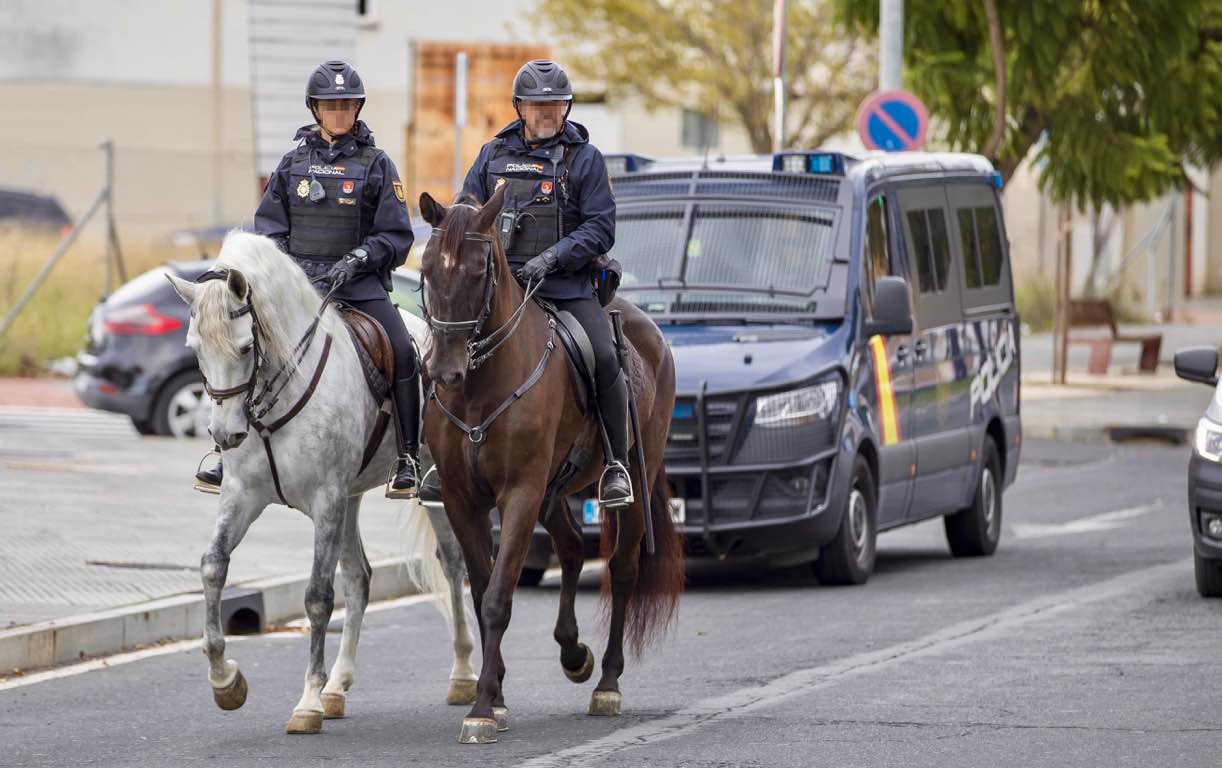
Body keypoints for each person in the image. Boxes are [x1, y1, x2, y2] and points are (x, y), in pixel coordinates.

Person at [194, 59, 420, 499]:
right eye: (331, 105)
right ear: (315, 109)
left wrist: (358, 258)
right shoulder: (292, 163)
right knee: (244, 345)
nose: (340, 113)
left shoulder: (377, 164)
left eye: (347, 106)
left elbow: (397, 235)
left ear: (358, 110)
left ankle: (408, 458)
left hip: (357, 286)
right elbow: (269, 229)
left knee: (403, 350)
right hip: (298, 288)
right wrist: (291, 268)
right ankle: (226, 452)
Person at [417, 59, 631, 509]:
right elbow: (465, 213)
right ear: (520, 108)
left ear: (566, 109)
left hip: (565, 288)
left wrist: (552, 258)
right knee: (441, 350)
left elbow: (600, 227)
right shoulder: (493, 155)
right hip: (498, 288)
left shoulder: (584, 160)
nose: (546, 113)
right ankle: (436, 457)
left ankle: (615, 464)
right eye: (537, 105)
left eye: (554, 106)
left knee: (605, 356)